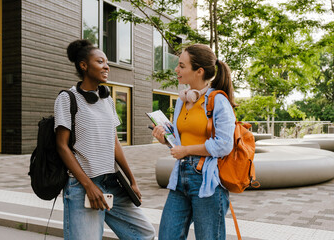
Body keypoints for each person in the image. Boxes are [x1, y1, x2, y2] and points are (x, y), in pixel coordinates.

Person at [55, 39, 155, 240]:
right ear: (84, 65)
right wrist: (89, 186)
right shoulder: (67, 98)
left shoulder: (106, 99)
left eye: (107, 62)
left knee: (144, 234)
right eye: (100, 61)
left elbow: (114, 142)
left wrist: (132, 180)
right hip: (83, 185)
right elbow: (62, 146)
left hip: (111, 182)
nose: (106, 66)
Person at [152, 44, 236, 240]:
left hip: (207, 180)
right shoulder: (182, 100)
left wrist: (186, 150)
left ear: (199, 71)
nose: (176, 70)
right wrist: (166, 139)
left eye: (182, 66)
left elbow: (224, 145)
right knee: (167, 236)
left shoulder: (218, 101)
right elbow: (180, 139)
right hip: (180, 177)